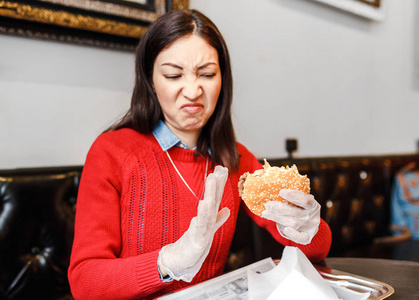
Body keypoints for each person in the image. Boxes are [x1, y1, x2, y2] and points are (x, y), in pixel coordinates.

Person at [68, 9, 332, 299]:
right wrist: (167, 262)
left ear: (222, 79)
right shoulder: (112, 152)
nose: (193, 91)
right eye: (173, 74)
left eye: (207, 74)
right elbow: (84, 281)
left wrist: (308, 227)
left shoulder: (235, 160)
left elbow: (316, 248)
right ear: (151, 80)